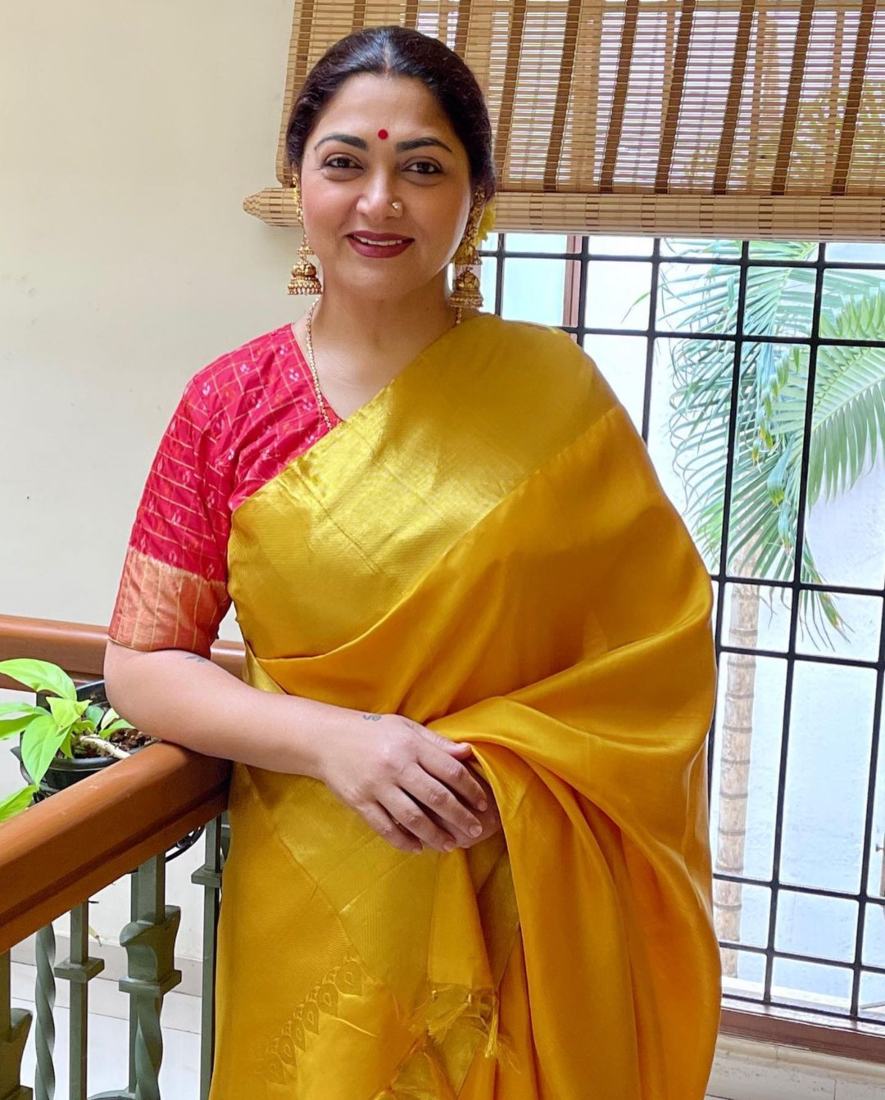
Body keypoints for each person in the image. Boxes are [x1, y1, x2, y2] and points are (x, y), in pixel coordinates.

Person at [104, 24, 721, 1100]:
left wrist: (512, 760)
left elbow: (658, 656)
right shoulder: (228, 406)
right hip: (321, 871)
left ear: (476, 196)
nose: (380, 201)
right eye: (346, 162)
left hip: (525, 873)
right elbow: (145, 659)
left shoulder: (558, 397)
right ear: (297, 179)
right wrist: (340, 740)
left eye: (422, 167)